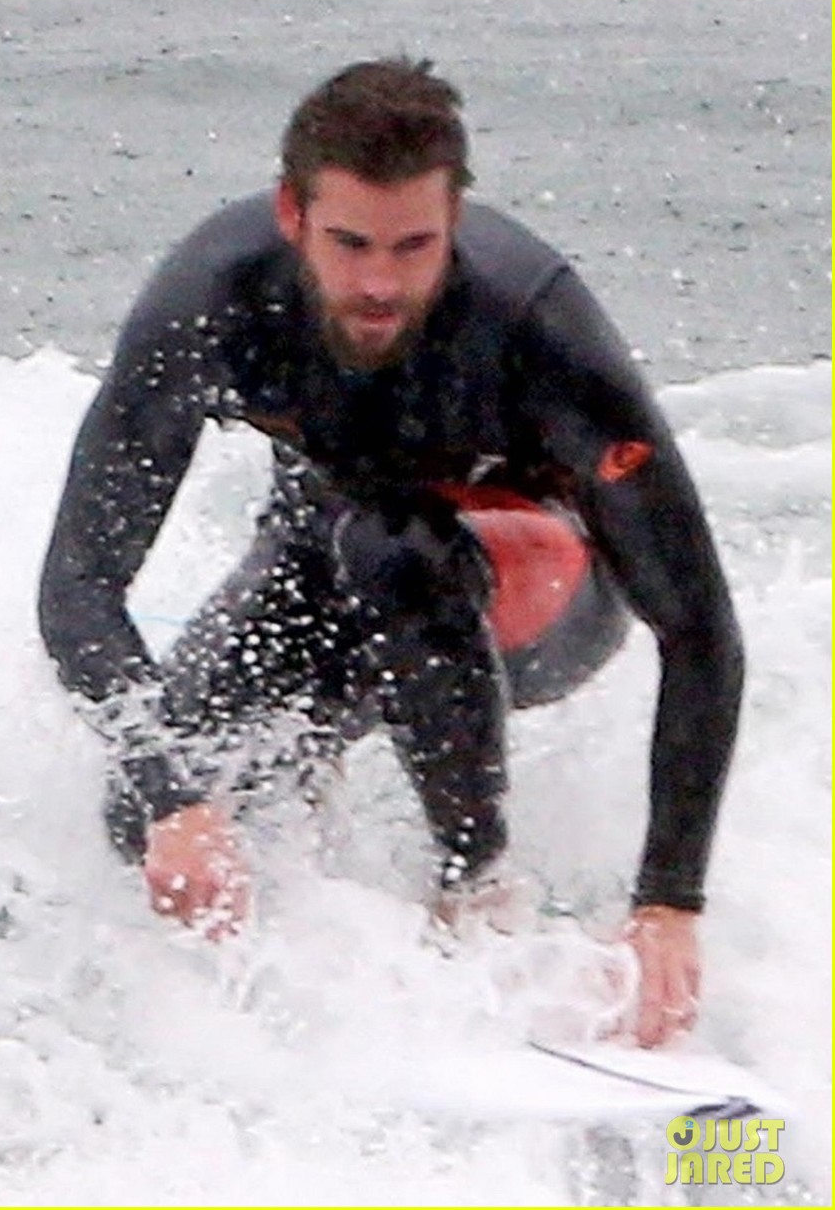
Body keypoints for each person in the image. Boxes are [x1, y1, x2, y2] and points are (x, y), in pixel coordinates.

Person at [39, 57, 743, 1047]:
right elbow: (77, 586)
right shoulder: (211, 302)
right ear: (293, 215)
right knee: (147, 801)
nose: (380, 282)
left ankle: (478, 895)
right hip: (336, 566)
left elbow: (699, 624)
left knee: (389, 549)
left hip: (537, 586)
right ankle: (285, 952)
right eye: (351, 243)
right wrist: (176, 802)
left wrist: (672, 898)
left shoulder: (537, 323)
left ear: (454, 220)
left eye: (414, 246)